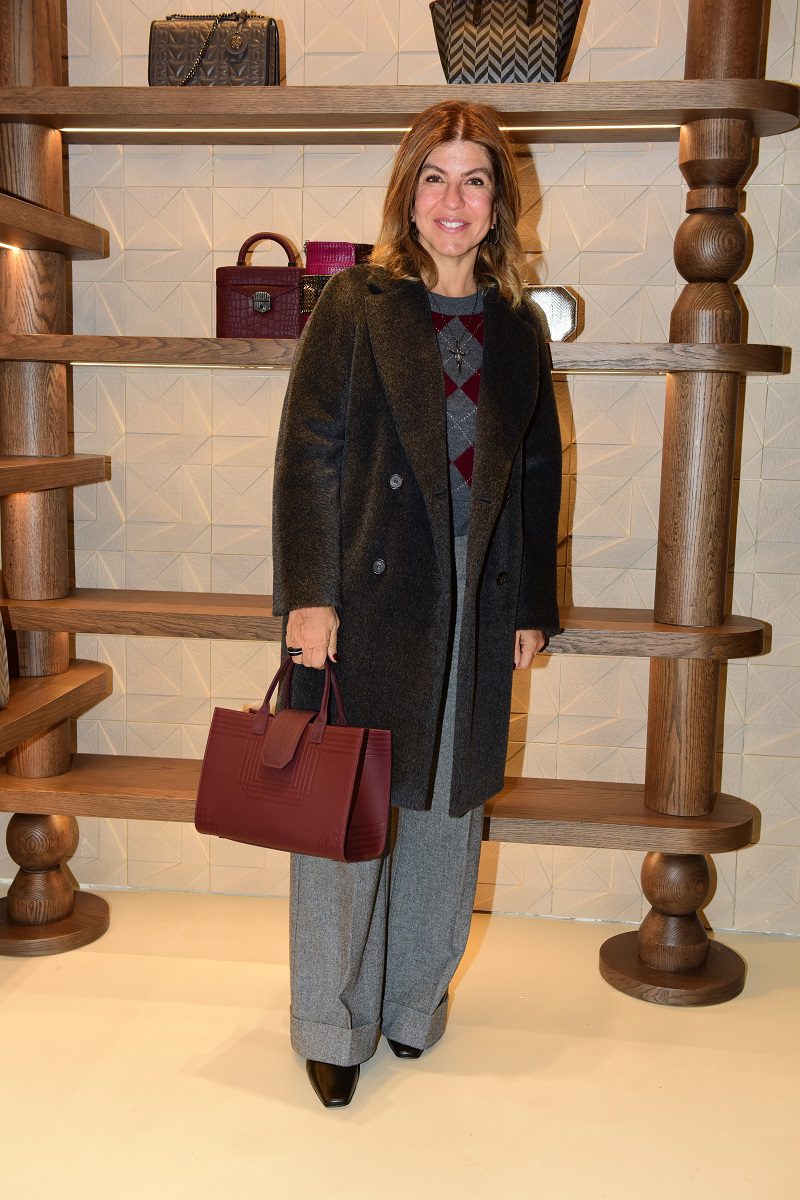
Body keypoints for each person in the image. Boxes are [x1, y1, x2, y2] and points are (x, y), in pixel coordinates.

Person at [271, 100, 562, 1108]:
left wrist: (529, 605)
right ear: (408, 194)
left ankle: (410, 1006)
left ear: (498, 203)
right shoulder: (356, 304)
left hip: (478, 593)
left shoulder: (518, 327)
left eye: (473, 179)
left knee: (446, 806)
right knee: (344, 812)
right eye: (434, 177)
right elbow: (307, 451)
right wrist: (308, 598)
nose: (452, 198)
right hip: (365, 590)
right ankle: (331, 1022)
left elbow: (535, 474)